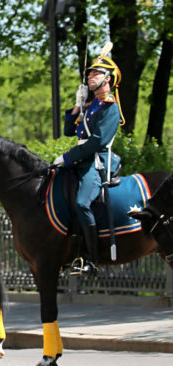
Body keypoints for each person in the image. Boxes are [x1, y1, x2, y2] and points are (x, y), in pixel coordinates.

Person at [52, 54, 124, 275]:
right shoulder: (91, 105)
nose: (90, 76)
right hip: (81, 160)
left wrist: (68, 157)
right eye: (90, 73)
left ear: (108, 79)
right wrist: (77, 104)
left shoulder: (110, 108)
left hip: (96, 161)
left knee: (82, 203)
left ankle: (92, 261)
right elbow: (68, 131)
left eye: (96, 73)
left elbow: (98, 142)